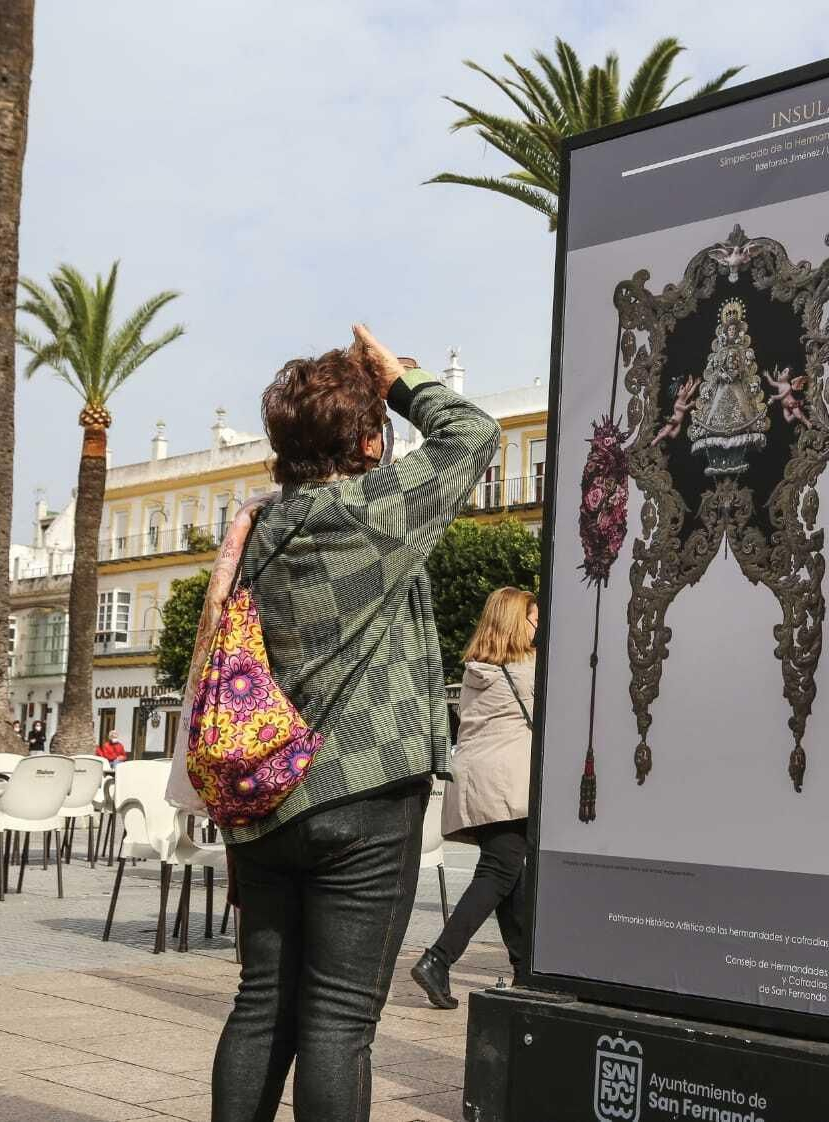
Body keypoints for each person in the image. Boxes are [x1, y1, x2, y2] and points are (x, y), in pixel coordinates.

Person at [208, 325, 498, 1122]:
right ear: (369, 441)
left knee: (262, 1001)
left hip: (265, 796)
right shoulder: (374, 512)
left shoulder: (258, 528)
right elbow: (475, 433)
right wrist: (398, 376)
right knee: (338, 1021)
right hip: (365, 797)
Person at [411, 588, 537, 1010]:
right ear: (518, 623)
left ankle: (524, 972)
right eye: (533, 620)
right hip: (508, 784)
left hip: (476, 784)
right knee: (499, 874)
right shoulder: (528, 669)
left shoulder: (477, 669)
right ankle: (438, 958)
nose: (538, 628)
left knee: (508, 874)